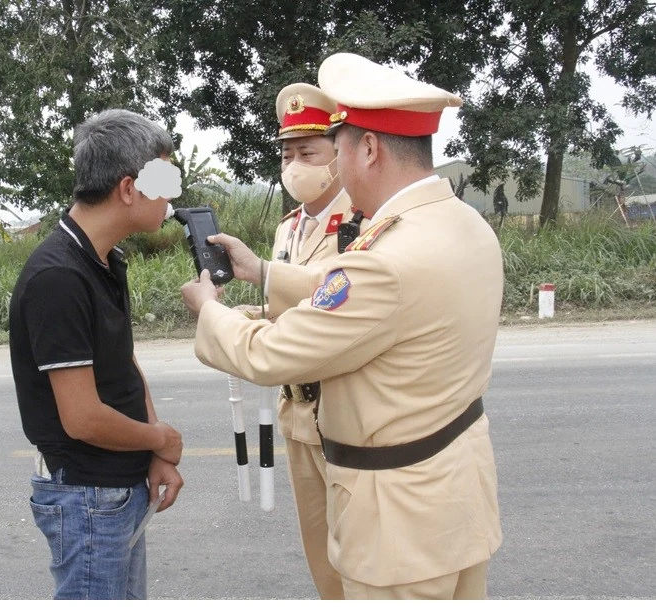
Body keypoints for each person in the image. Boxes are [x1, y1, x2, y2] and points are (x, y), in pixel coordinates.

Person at [181, 53, 503, 600]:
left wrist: (210, 310)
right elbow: (366, 305)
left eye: (341, 143)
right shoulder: (462, 223)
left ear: (369, 148)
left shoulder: (384, 258)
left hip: (397, 529)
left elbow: (273, 354)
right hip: (454, 498)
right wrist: (263, 272)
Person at [9, 109, 184, 600]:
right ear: (128, 188)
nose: (171, 196)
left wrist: (155, 453)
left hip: (118, 485)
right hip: (87, 496)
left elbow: (123, 363)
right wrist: (162, 438)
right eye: (164, 180)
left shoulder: (105, 259)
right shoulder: (59, 277)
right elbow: (82, 418)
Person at [259, 82, 358, 600]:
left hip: (340, 408)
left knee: (356, 551)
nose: (295, 164)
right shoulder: (290, 227)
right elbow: (284, 307)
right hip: (296, 410)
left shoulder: (360, 223)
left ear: (337, 156)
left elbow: (332, 296)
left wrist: (262, 274)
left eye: (308, 152)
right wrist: (248, 314)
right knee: (319, 553)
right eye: (288, 153)